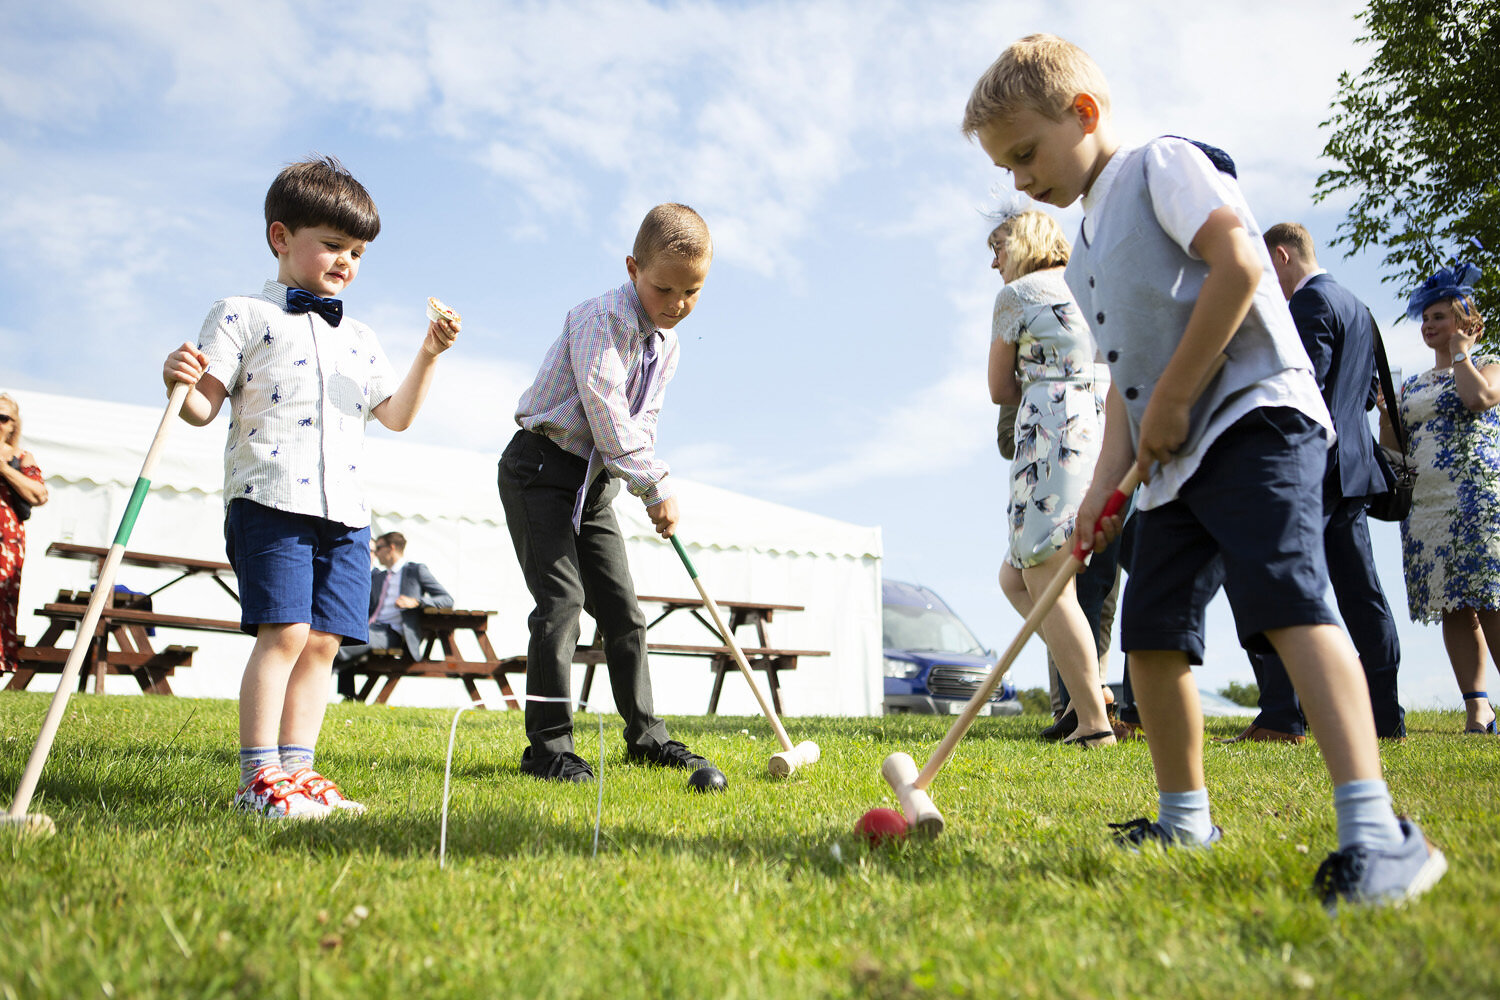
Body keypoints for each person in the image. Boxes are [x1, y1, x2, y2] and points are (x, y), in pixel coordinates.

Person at [962, 34, 1446, 908]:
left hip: (1255, 418)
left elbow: (1241, 263)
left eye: (1026, 153)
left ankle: (1377, 831)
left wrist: (1181, 396)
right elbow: (1126, 386)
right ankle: (1185, 819)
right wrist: (1104, 493)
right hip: (1173, 457)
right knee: (1151, 632)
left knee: (1285, 598)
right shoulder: (1089, 237)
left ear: (1085, 114)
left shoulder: (1162, 166)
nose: (1021, 180)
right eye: (1007, 167)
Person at [162, 156, 459, 819]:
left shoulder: (361, 338)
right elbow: (201, 407)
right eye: (331, 244)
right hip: (271, 499)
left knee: (324, 642)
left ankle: (297, 772)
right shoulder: (240, 315)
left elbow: (398, 415)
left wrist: (429, 355)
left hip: (347, 514)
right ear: (280, 238)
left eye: (356, 251)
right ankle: (256, 779)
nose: (346, 260)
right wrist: (177, 377)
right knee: (286, 633)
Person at [498, 203, 720, 783]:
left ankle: (646, 737)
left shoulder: (666, 343)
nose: (676, 304)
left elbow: (641, 425)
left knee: (623, 612)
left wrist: (647, 493)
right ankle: (548, 749)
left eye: (691, 292)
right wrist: (656, 482)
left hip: (593, 485)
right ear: (632, 269)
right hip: (539, 469)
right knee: (561, 604)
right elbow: (605, 410)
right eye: (663, 288)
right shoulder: (599, 318)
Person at [1217, 223, 1407, 743]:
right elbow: (1367, 396)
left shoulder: (1311, 305)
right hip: (1354, 470)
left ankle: (1283, 714)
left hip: (1309, 471)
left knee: (1269, 582)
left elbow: (1299, 390)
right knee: (1363, 595)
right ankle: (1385, 716)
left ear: (1281, 256)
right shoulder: (1358, 308)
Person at [987, 211, 1114, 747]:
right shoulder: (1091, 281)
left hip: (1052, 436)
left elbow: (999, 388)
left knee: (1042, 573)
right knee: (1018, 577)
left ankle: (1092, 721)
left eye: (996, 250)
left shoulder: (1017, 294)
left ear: (1019, 246)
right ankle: (1089, 691)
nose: (994, 263)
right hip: (1103, 431)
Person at [1381, 261, 1500, 735]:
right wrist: (1387, 411)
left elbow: (1478, 400)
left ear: (1466, 322)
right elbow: (1393, 449)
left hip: (1475, 499)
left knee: (1490, 598)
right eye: (1426, 319)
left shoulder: (1490, 366)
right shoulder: (1411, 384)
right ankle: (1477, 708)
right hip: (1425, 506)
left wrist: (1462, 354)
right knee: (1452, 604)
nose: (1430, 326)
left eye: (1440, 318)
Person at [333, 531, 453, 699]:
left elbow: (447, 599)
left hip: (393, 633)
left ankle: (316, 687)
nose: (375, 553)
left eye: (378, 548)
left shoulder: (415, 571)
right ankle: (347, 695)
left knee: (340, 646)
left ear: (391, 548)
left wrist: (417, 601)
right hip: (372, 627)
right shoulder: (380, 576)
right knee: (342, 636)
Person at [0, 393, 48, 673]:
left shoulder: (21, 457)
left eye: (3, 418)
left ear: (13, 425)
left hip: (5, 542)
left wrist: (4, 468)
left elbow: (39, 494)